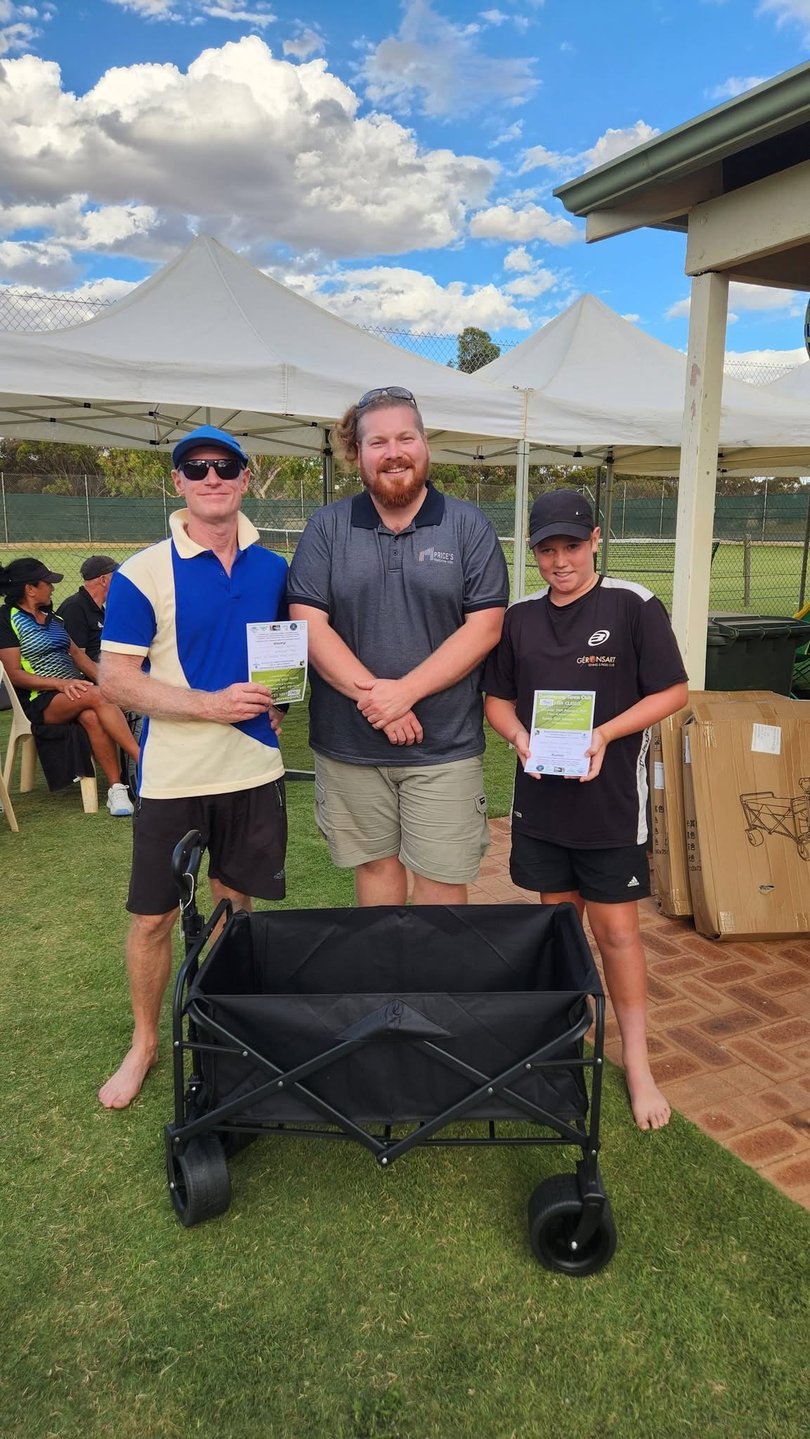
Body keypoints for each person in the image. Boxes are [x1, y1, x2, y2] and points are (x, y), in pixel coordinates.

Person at [483, 489, 688, 1131]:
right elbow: (498, 699)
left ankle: (639, 1063)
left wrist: (602, 735)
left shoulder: (633, 605)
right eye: (547, 549)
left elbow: (673, 691)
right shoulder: (519, 618)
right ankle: (569, 1044)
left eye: (572, 546)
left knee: (618, 933)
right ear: (534, 551)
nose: (560, 560)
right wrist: (519, 739)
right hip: (543, 803)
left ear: (595, 539)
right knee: (562, 931)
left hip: (609, 806)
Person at [97, 424, 289, 1109]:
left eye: (225, 466)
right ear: (176, 482)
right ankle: (146, 1041)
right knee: (152, 919)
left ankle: (226, 1022)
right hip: (175, 778)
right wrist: (207, 705)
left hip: (252, 774)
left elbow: (280, 659)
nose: (212, 477)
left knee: (235, 909)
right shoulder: (142, 571)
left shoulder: (273, 566)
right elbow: (115, 678)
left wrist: (282, 706)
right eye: (196, 467)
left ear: (245, 477)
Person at [287, 385, 508, 906]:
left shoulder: (468, 527)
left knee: (441, 878)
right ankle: (389, 986)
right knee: (376, 872)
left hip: (444, 747)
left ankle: (434, 990)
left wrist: (403, 692)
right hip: (350, 746)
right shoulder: (327, 528)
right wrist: (383, 704)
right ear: (357, 454)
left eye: (406, 437)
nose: (394, 452)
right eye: (378, 441)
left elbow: (485, 628)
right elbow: (309, 623)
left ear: (425, 444)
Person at [0, 556, 139, 816]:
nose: (52, 588)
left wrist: (113, 685)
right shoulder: (7, 619)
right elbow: (14, 674)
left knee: (91, 715)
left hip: (71, 693)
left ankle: (116, 789)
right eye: (47, 583)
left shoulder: (51, 618)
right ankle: (144, 761)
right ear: (30, 588)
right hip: (36, 699)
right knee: (96, 696)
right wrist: (62, 684)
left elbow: (80, 657)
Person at [56, 555, 119, 663]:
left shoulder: (99, 609)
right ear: (103, 580)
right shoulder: (74, 608)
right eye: (116, 577)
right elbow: (76, 658)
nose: (120, 581)